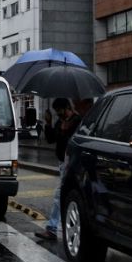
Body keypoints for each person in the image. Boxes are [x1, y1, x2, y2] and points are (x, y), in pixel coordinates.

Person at [36, 97, 82, 241]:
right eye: (56, 112)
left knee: (59, 196)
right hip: (63, 163)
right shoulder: (59, 122)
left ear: (67, 107)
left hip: (73, 164)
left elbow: (73, 141)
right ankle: (60, 227)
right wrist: (48, 123)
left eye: (60, 111)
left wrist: (64, 130)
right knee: (65, 196)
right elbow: (50, 140)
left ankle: (52, 228)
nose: (59, 114)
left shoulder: (77, 121)